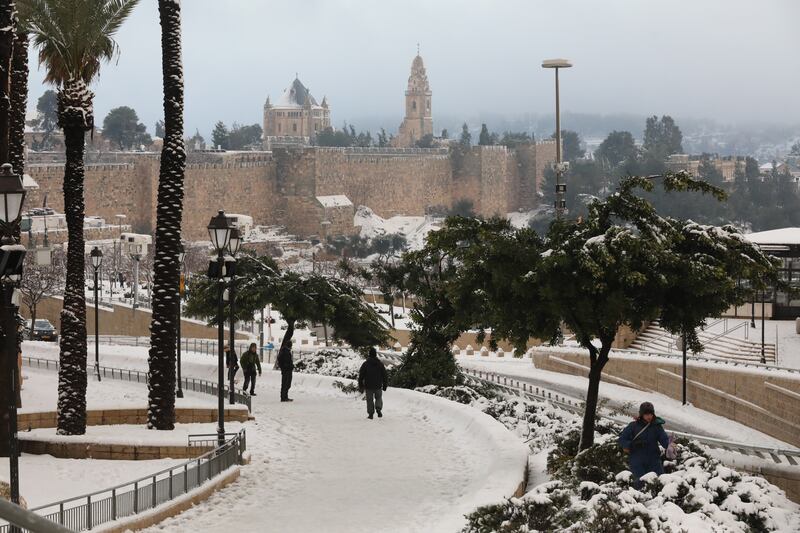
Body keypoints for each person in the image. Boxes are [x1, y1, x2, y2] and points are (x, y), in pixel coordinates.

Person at [619, 401, 670, 486]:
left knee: (658, 483)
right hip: (637, 461)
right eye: (646, 414)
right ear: (641, 414)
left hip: (654, 460)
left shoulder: (657, 427)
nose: (649, 416)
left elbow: (664, 440)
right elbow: (622, 439)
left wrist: (670, 445)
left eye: (650, 414)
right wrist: (631, 445)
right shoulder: (633, 426)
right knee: (640, 484)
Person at [358, 347, 388, 419]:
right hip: (378, 385)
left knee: (369, 400)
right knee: (378, 398)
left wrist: (361, 385)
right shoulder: (380, 364)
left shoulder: (365, 364)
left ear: (369, 355)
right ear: (375, 354)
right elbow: (384, 375)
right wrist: (385, 385)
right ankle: (378, 409)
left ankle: (371, 414)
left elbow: (361, 375)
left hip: (368, 386)